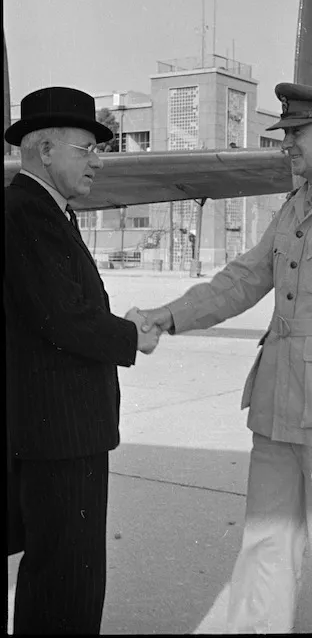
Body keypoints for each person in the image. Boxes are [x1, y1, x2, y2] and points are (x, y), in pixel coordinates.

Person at [136, 83, 312, 633]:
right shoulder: (293, 209)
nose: (286, 143)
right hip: (277, 415)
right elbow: (244, 279)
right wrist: (168, 315)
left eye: (297, 132)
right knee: (264, 547)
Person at [5, 86, 160, 634]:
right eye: (85, 148)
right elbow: (63, 317)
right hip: (61, 436)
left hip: (57, 431)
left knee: (60, 570)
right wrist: (132, 336)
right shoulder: (27, 213)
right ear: (44, 151)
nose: (97, 159)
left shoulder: (47, 211)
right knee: (67, 575)